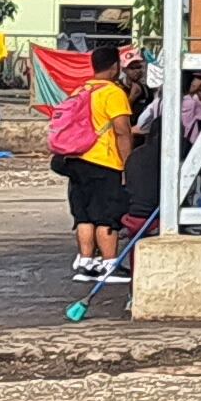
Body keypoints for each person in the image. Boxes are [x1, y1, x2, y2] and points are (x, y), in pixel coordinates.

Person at [58, 46, 143, 281]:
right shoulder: (113, 93)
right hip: (104, 161)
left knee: (84, 214)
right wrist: (128, 165)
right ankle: (109, 264)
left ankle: (86, 263)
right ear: (115, 67)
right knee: (108, 216)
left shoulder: (80, 90)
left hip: (76, 159)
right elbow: (122, 131)